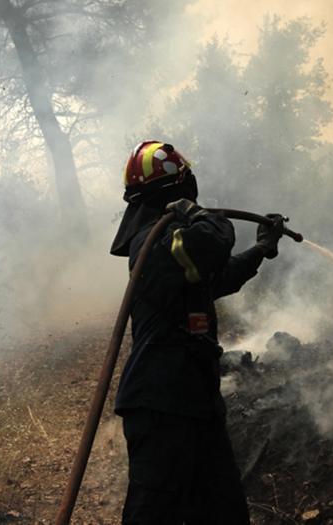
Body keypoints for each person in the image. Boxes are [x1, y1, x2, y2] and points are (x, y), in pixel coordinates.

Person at [110, 141, 285, 524]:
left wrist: (260, 249)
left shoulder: (173, 247)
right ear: (178, 187)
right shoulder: (153, 241)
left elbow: (215, 279)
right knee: (152, 514)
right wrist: (199, 214)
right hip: (161, 407)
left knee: (225, 511)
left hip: (195, 402)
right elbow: (212, 240)